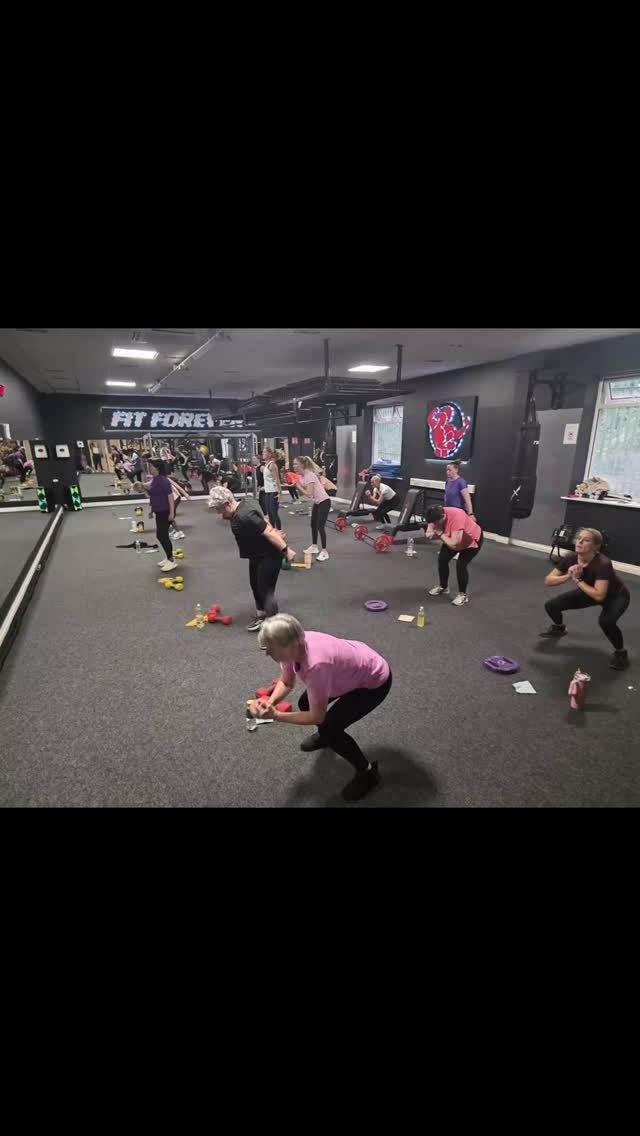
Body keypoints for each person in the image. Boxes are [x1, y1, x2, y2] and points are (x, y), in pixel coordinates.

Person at [248, 613, 392, 802]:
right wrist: (271, 702)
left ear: (291, 645)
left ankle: (367, 772)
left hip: (373, 681)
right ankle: (327, 737)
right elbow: (287, 682)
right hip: (347, 673)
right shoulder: (292, 644)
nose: (267, 653)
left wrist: (276, 716)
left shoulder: (316, 665)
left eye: (270, 649)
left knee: (330, 728)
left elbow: (317, 717)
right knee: (306, 704)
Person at [208, 485, 296, 632]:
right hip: (257, 554)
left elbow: (268, 532)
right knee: (255, 584)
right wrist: (273, 530)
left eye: (220, 509)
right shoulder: (241, 507)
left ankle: (275, 628)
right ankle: (262, 616)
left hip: (269, 555)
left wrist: (286, 550)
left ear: (228, 504)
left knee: (266, 591)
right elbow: (264, 522)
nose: (220, 514)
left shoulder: (244, 516)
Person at [541, 527, 630, 669]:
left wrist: (577, 580)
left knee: (606, 622)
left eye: (586, 540)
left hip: (615, 596)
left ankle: (621, 654)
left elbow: (600, 596)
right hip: (590, 591)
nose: (580, 542)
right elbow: (548, 580)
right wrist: (569, 575)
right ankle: (559, 628)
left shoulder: (603, 563)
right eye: (579, 538)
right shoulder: (570, 558)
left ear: (596, 546)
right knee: (551, 605)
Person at [425, 504, 484, 606]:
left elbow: (454, 544)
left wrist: (440, 534)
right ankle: (444, 587)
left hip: (471, 540)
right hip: (453, 538)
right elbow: (429, 534)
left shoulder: (457, 517)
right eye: (433, 522)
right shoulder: (434, 516)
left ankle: (462, 595)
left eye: (436, 522)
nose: (434, 524)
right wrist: (437, 533)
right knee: (442, 559)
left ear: (443, 515)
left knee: (461, 565)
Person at [294, 456, 331, 562]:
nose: (294, 466)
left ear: (302, 465)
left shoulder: (309, 475)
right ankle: (314, 546)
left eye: (296, 464)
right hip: (317, 502)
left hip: (324, 501)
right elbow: (301, 493)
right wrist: (297, 486)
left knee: (320, 526)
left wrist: (298, 486)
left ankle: (324, 552)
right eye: (294, 464)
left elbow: (309, 494)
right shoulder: (301, 476)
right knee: (313, 524)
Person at [145, 459, 177, 571]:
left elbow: (170, 497)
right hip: (158, 511)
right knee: (160, 535)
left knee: (162, 535)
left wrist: (172, 513)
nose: (149, 468)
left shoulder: (164, 481)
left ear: (157, 467)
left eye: (151, 466)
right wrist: (151, 510)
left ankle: (171, 560)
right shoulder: (154, 480)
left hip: (165, 511)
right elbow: (153, 496)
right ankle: (168, 557)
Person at [262, 447, 283, 530]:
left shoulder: (272, 465)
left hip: (274, 491)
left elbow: (277, 479)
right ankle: (273, 530)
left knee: (274, 512)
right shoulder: (266, 465)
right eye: (263, 452)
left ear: (270, 454)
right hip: (267, 491)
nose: (263, 454)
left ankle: (279, 531)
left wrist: (280, 493)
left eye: (265, 452)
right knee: (269, 513)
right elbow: (268, 480)